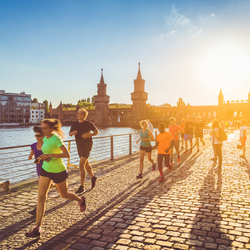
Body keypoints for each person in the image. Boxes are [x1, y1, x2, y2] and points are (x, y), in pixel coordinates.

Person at [26, 119, 86, 239]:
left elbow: (67, 154)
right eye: (42, 128)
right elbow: (45, 151)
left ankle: (80, 199)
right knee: (41, 198)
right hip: (45, 170)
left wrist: (50, 155)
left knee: (64, 195)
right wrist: (42, 157)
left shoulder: (56, 139)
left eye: (45, 128)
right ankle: (38, 228)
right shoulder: (45, 138)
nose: (43, 130)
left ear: (52, 129)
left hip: (58, 171)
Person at [69, 109, 99, 194]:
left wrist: (89, 135)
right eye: (78, 113)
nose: (78, 114)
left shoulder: (89, 124)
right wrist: (72, 133)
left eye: (81, 113)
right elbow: (69, 133)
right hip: (79, 146)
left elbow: (97, 132)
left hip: (87, 145)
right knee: (86, 164)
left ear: (85, 115)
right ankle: (93, 177)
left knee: (81, 165)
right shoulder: (74, 124)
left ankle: (82, 186)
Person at [28, 125, 44, 215]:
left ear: (43, 136)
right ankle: (38, 208)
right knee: (42, 188)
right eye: (36, 136)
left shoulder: (47, 145)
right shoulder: (33, 145)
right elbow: (32, 154)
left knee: (41, 189)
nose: (37, 137)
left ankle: (37, 208)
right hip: (39, 169)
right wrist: (31, 156)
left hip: (48, 168)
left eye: (39, 136)